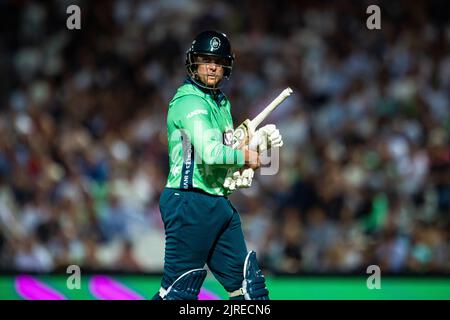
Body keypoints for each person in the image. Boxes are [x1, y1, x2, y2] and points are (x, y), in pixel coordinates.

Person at [153, 30, 283, 300]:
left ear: (227, 66)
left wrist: (248, 157)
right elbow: (211, 153)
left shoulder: (221, 103)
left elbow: (222, 158)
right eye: (205, 59)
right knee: (178, 294)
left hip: (217, 202)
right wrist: (246, 156)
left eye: (218, 61)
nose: (212, 66)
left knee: (250, 291)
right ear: (194, 62)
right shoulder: (189, 101)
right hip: (189, 202)